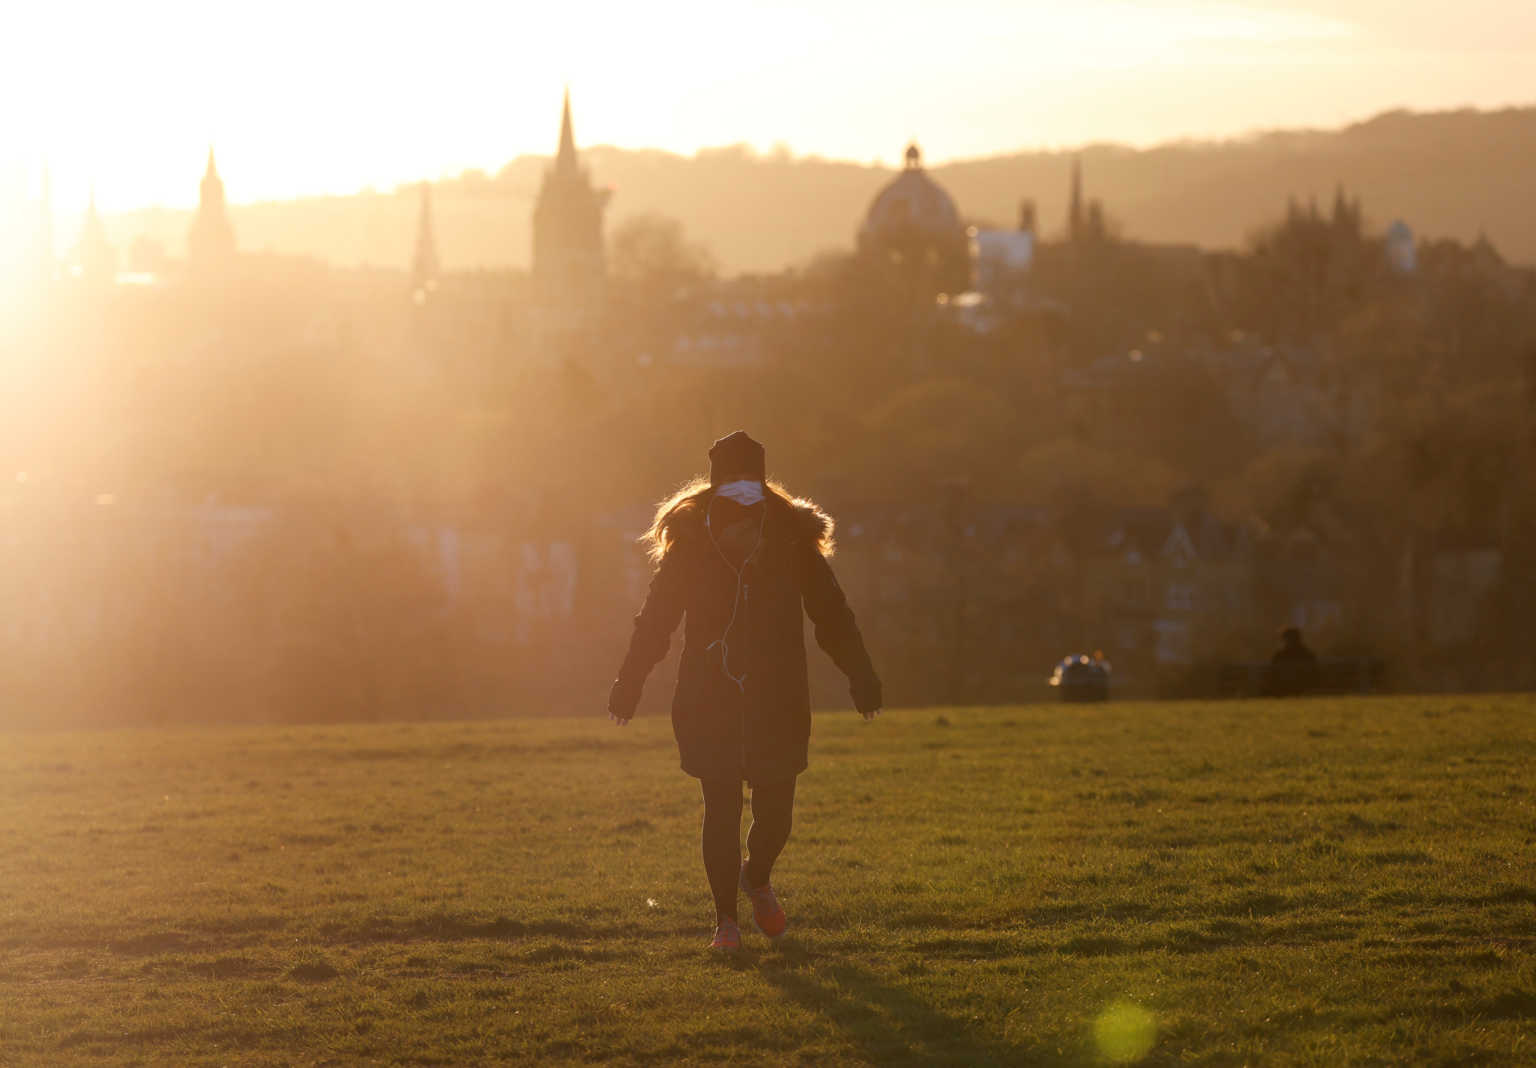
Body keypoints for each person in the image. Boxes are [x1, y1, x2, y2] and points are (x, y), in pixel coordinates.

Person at [608, 431, 883, 951]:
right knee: (721, 805)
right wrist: (631, 680)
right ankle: (725, 922)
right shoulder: (690, 544)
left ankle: (757, 877)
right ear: (715, 484)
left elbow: (831, 613)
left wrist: (860, 673)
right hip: (707, 693)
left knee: (776, 813)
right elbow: (657, 620)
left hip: (778, 695)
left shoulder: (792, 541)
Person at [1267, 626, 1321, 696]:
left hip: (1289, 687)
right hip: (1301, 687)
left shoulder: (1280, 656)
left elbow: (1273, 674)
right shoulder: (1307, 654)